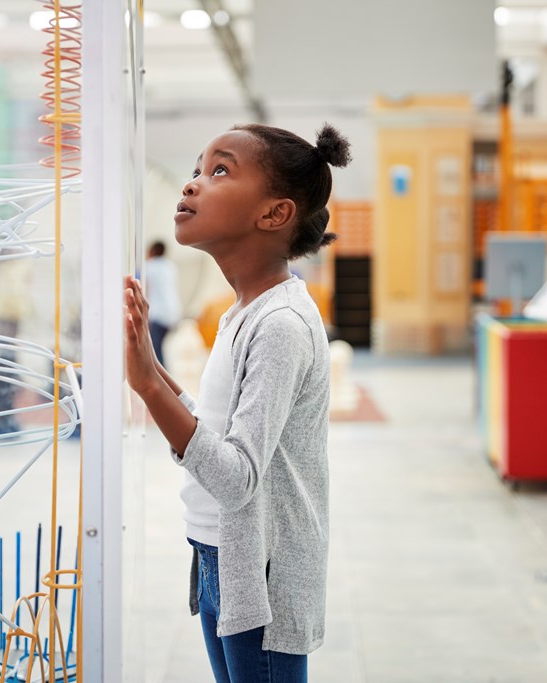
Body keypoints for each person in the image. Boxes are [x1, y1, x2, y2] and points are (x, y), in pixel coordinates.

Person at [124, 122, 351, 683]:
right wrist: (152, 369)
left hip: (259, 574)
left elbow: (236, 478)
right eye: (198, 169)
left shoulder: (279, 324)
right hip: (219, 554)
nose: (193, 184)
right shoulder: (245, 312)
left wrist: (151, 390)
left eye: (219, 170)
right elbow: (217, 428)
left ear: (274, 215)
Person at [143, 240, 181, 367]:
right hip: (173, 312)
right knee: (160, 347)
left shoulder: (149, 267)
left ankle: (161, 376)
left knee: (155, 349)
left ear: (152, 251)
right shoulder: (170, 266)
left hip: (157, 314)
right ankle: (164, 373)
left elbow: (143, 288)